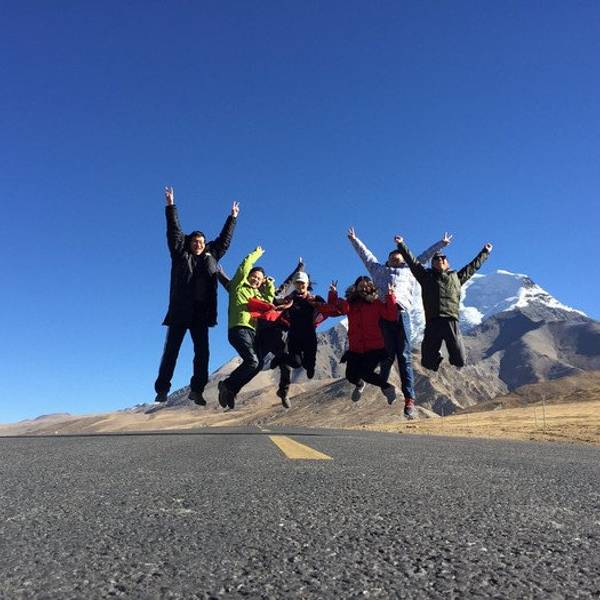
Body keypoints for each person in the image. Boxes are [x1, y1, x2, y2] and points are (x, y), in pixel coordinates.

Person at [347, 227, 453, 418]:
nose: (396, 260)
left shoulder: (410, 270)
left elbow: (424, 256)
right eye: (393, 258)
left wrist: (441, 244)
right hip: (383, 318)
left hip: (402, 315)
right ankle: (384, 386)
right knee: (385, 357)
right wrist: (355, 239)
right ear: (387, 260)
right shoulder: (378, 270)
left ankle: (409, 400)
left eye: (399, 258)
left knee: (404, 358)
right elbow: (366, 255)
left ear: (404, 260)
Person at [154, 186, 238, 405]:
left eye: (201, 242)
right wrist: (171, 206)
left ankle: (197, 390)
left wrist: (232, 218)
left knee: (202, 354)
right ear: (189, 243)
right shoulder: (180, 253)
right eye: (194, 241)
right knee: (171, 351)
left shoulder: (212, 256)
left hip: (201, 313)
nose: (198, 244)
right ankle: (162, 389)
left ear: (205, 244)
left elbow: (224, 241)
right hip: (180, 311)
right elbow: (174, 231)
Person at [394, 236, 493, 371]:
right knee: (428, 363)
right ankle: (437, 355)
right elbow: (412, 262)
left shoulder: (456, 277)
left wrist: (485, 252)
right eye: (436, 259)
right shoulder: (425, 276)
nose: (440, 260)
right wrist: (401, 244)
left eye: (443, 258)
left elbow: (473, 266)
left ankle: (451, 357)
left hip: (450, 320)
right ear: (432, 264)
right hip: (433, 321)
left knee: (460, 360)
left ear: (448, 263)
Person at [217, 259, 305, 409]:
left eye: (262, 280)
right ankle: (231, 389)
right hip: (259, 336)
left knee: (285, 362)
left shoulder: (274, 295)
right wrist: (219, 273)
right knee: (255, 365)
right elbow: (232, 286)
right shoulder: (251, 294)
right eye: (258, 280)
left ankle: (283, 392)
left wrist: (299, 268)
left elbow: (287, 283)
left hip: (275, 335)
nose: (259, 282)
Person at [217, 247, 276, 410]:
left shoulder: (258, 296)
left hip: (252, 332)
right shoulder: (238, 286)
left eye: (259, 279)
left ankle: (231, 390)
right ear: (248, 276)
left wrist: (269, 284)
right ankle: (227, 384)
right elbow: (244, 267)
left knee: (258, 365)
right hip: (238, 329)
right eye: (254, 276)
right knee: (252, 361)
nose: (256, 280)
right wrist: (256, 254)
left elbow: (268, 301)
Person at [326, 277, 398, 404]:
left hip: (374, 348)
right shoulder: (350, 304)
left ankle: (387, 387)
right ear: (355, 288)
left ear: (371, 287)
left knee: (366, 373)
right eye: (361, 286)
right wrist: (333, 293)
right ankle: (359, 385)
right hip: (356, 349)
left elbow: (391, 316)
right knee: (350, 376)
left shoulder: (376, 303)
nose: (364, 288)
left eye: (366, 286)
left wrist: (390, 296)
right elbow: (336, 307)